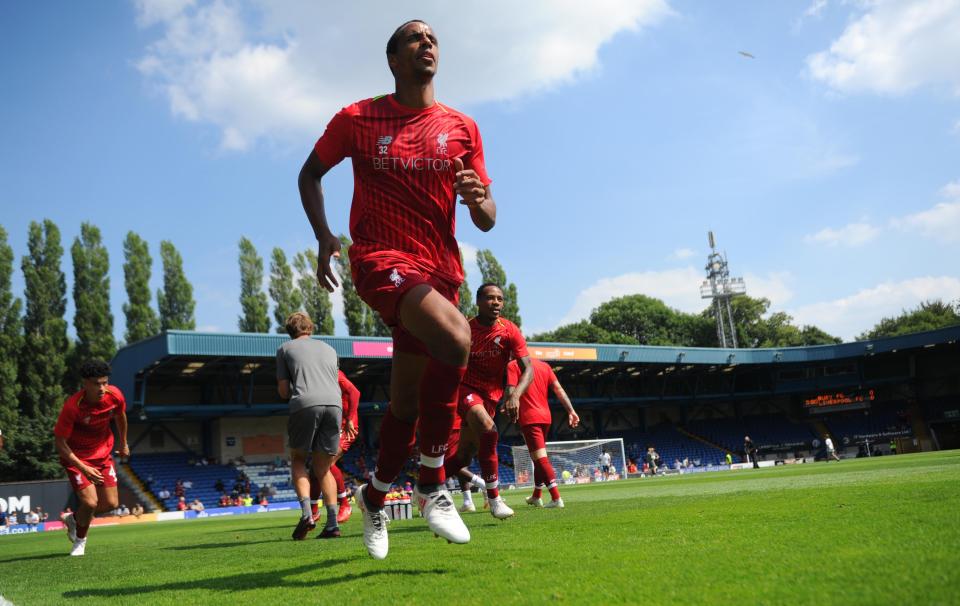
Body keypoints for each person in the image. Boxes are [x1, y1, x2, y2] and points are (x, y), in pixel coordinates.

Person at [299, 19, 498, 560]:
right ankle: (433, 484)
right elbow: (309, 174)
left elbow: (486, 219)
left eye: (432, 37)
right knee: (457, 338)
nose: (427, 42)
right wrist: (324, 237)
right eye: (414, 37)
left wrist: (477, 196)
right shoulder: (358, 118)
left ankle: (375, 494)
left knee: (407, 403)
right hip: (381, 260)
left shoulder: (462, 126)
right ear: (392, 59)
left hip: (441, 273)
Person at [443, 283, 533, 520]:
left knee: (464, 456)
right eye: (490, 298)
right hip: (466, 389)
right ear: (479, 302)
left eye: (500, 299)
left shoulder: (509, 330)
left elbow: (528, 369)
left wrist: (514, 395)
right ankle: (494, 499)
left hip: (491, 396)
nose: (496, 303)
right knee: (489, 429)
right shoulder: (466, 329)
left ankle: (426, 482)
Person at [277, 311, 344, 540]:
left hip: (305, 404)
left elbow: (284, 391)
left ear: (290, 331)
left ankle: (307, 514)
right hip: (335, 405)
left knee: (298, 459)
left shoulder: (285, 349)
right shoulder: (330, 349)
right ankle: (333, 524)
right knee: (323, 468)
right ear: (310, 328)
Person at [54, 359, 129, 557]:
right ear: (85, 384)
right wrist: (84, 468)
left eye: (105, 382)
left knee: (111, 504)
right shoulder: (72, 407)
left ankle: (73, 519)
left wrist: (123, 442)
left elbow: (121, 416)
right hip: (76, 458)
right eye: (97, 384)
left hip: (103, 455)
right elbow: (60, 443)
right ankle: (80, 541)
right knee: (90, 503)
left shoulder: (115, 395)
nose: (103, 388)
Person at [506, 357, 579, 508]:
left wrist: (508, 403)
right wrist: (571, 411)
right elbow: (559, 389)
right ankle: (536, 496)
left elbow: (511, 389)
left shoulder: (513, 365)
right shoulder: (544, 366)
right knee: (536, 458)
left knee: (540, 459)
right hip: (545, 417)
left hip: (529, 418)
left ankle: (556, 498)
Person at [310, 370, 361, 526]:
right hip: (331, 428)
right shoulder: (315, 377)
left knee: (326, 464)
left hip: (346, 428)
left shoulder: (333, 374)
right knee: (315, 468)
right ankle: (313, 511)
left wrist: (351, 418)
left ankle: (345, 505)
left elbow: (355, 392)